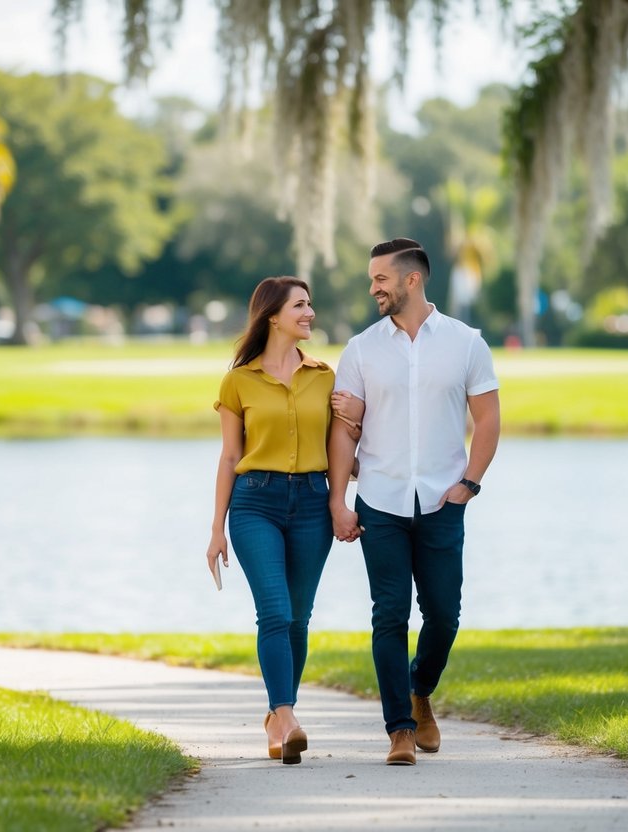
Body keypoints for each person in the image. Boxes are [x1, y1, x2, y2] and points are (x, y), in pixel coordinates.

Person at [328, 237, 500, 766]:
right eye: (371, 278)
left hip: (444, 503)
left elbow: (488, 419)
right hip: (380, 501)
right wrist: (340, 500)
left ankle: (420, 690)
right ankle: (399, 728)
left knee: (444, 615)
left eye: (380, 278)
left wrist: (468, 484)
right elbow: (343, 432)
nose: (373, 287)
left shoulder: (467, 342)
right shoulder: (361, 348)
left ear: (412, 279)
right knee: (389, 616)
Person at [207, 276, 359, 765]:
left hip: (314, 502)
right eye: (300, 305)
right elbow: (230, 455)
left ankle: (277, 722)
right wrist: (215, 530)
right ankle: (287, 714)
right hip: (255, 504)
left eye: (310, 304)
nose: (310, 312)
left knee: (298, 617)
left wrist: (352, 424)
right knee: (274, 611)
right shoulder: (239, 380)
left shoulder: (325, 376)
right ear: (273, 315)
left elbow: (344, 452)